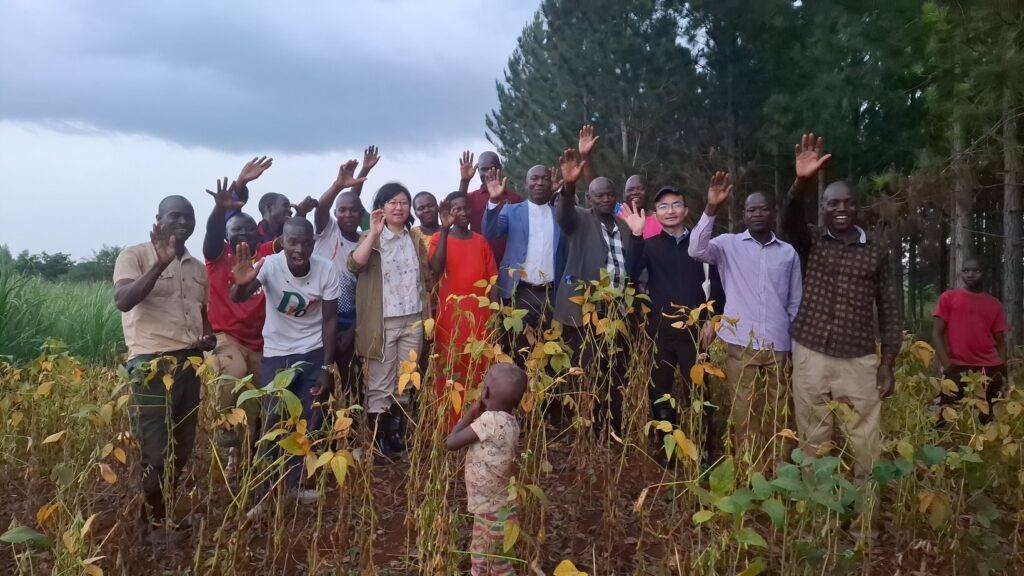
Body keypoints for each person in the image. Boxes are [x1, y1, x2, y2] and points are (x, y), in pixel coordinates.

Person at [782, 133, 900, 480]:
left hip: (858, 359)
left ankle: (864, 517)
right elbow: (788, 222)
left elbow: (891, 309)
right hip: (810, 351)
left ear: (857, 207)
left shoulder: (877, 250)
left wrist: (888, 362)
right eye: (833, 204)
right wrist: (801, 182)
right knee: (813, 438)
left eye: (848, 203)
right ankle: (820, 515)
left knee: (864, 440)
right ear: (824, 209)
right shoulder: (813, 240)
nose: (842, 209)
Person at [113, 194, 216, 546]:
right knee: (155, 452)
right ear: (158, 219)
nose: (183, 222)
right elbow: (123, 300)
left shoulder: (197, 267)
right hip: (152, 367)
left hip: (190, 364)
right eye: (175, 216)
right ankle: (152, 530)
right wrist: (159, 265)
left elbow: (202, 317)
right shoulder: (135, 255)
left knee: (181, 450)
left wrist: (207, 338)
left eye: (188, 216)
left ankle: (164, 515)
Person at [688, 172, 802, 469]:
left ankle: (778, 469)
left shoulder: (788, 253)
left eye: (763, 208)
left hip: (778, 345)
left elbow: (794, 302)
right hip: (740, 345)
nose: (757, 214)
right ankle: (749, 470)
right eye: (751, 209)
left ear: (772, 213)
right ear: (743, 215)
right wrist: (711, 208)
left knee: (779, 411)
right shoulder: (728, 245)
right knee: (744, 411)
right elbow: (696, 249)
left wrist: (791, 343)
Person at [230, 217, 340, 516]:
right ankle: (265, 495)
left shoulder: (327, 270)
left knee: (304, 424)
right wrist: (240, 285)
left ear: (314, 242)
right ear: (283, 241)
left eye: (306, 242)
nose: (300, 249)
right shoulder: (268, 265)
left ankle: (292, 486)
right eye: (293, 242)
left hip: (313, 353)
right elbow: (238, 296)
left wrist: (327, 369)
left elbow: (330, 322)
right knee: (272, 423)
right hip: (277, 354)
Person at [620, 186, 724, 465]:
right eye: (663, 207)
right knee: (660, 392)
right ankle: (668, 450)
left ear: (686, 210)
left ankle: (703, 449)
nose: (670, 211)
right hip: (660, 333)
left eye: (676, 205)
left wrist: (713, 320)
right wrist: (636, 235)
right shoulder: (650, 246)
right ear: (656, 214)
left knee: (700, 392)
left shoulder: (701, 246)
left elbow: (716, 287)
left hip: (695, 333)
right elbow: (630, 273)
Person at [349, 183, 433, 460]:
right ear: (381, 207)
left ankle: (396, 437)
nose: (398, 207)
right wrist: (373, 233)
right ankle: (377, 440)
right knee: (379, 383)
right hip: (382, 322)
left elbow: (423, 281)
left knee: (406, 379)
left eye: (403, 202)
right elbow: (355, 265)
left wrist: (427, 318)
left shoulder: (414, 239)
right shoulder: (370, 237)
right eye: (392, 202)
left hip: (412, 320)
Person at [202, 157, 276, 472]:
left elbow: (295, 239)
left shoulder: (268, 254)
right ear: (227, 235)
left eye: (249, 228)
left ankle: (243, 461)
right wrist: (223, 206)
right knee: (231, 375)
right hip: (225, 336)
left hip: (260, 341)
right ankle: (226, 432)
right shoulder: (217, 256)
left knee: (256, 401)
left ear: (258, 234)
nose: (242, 233)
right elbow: (213, 228)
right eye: (236, 229)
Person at [555, 149, 635, 432]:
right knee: (586, 371)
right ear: (589, 199)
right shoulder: (579, 219)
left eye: (609, 194)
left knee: (615, 372)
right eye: (598, 195)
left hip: (618, 312)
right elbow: (563, 214)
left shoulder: (625, 225)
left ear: (616, 197)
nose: (604, 199)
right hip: (586, 311)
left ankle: (612, 427)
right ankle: (585, 430)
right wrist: (568, 185)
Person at [446, 364, 528, 576]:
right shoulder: (512, 423)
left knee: (497, 566)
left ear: (486, 392)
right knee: (484, 558)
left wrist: (472, 411)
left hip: (491, 509)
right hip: (497, 507)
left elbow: (451, 442)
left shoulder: (488, 422)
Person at [481, 162, 565, 363]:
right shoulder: (512, 211)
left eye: (544, 178)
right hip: (519, 294)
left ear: (551, 183)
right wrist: (493, 201)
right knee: (520, 352)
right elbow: (490, 232)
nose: (540, 182)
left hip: (551, 294)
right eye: (534, 179)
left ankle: (546, 395)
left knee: (550, 353)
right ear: (525, 185)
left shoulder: (560, 215)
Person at [429, 191, 499, 421]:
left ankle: (478, 421)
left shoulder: (481, 241)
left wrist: (495, 314)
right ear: (449, 212)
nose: (462, 213)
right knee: (450, 368)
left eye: (466, 208)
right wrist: (445, 229)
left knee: (479, 366)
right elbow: (436, 270)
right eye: (456, 208)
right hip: (451, 317)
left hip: (480, 317)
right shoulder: (439, 238)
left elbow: (493, 281)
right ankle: (449, 425)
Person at [312, 160, 368, 397]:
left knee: (353, 387)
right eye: (342, 210)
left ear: (361, 215)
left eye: (353, 210)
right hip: (319, 322)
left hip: (350, 325)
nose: (347, 214)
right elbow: (321, 208)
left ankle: (356, 434)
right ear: (335, 214)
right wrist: (338, 184)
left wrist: (354, 331)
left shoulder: (367, 243)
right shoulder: (327, 231)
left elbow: (368, 294)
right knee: (320, 389)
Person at [933, 256, 1008, 423]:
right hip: (957, 367)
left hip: (988, 368)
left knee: (988, 419)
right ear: (961, 273)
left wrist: (1001, 373)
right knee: (942, 418)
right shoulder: (948, 298)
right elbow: (937, 335)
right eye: (966, 271)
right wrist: (947, 367)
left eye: (976, 270)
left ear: (985, 273)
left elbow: (1001, 342)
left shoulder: (994, 304)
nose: (970, 275)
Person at [459, 150, 523, 262]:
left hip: (507, 263)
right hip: (479, 260)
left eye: (492, 168)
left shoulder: (515, 199)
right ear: (478, 171)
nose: (488, 173)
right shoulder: (471, 197)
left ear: (500, 168)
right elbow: (458, 206)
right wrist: (465, 181)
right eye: (483, 169)